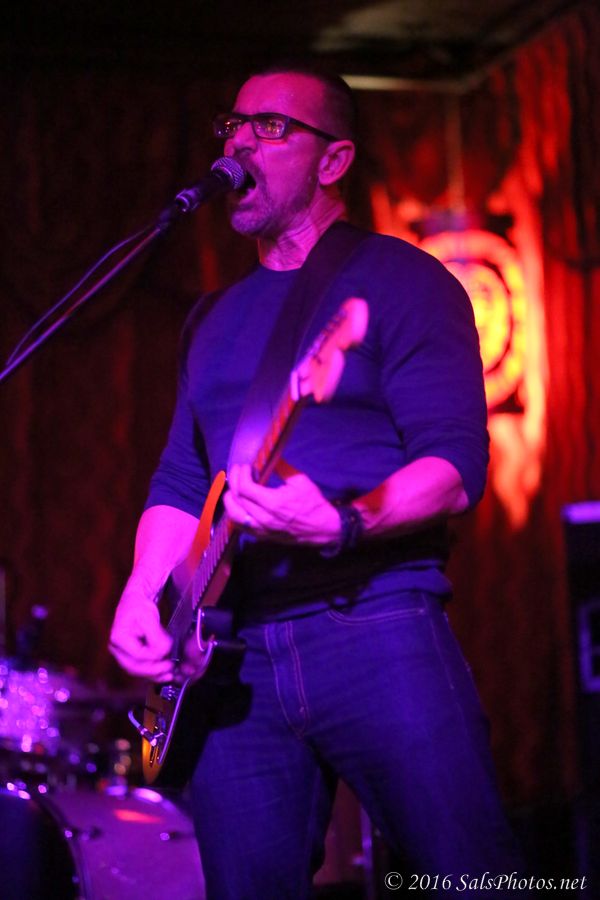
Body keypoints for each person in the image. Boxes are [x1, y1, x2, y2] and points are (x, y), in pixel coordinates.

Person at [109, 66, 523, 898]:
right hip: (232, 658)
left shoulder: (404, 282)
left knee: (474, 878)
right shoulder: (211, 317)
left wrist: (341, 522)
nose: (237, 143)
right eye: (232, 124)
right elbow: (183, 480)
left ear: (334, 161)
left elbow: (453, 468)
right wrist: (141, 592)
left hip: (373, 619)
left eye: (269, 127)